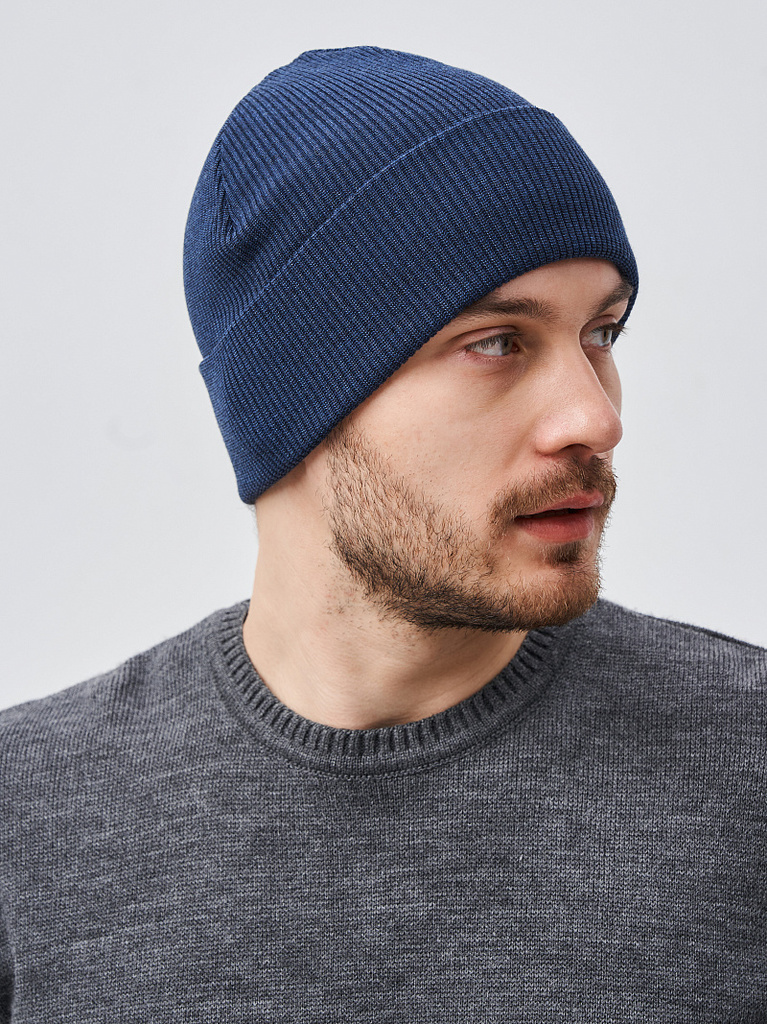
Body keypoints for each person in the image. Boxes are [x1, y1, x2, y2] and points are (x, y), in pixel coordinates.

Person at [1, 46, 765, 1023]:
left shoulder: (743, 769)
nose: (594, 417)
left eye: (600, 334)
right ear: (297, 399)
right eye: (497, 342)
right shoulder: (30, 817)